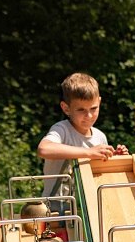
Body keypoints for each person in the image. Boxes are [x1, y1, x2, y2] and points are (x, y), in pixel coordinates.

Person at [37, 72, 128, 200]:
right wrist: (89, 152)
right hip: (55, 207)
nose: (89, 116)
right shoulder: (62, 129)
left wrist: (115, 158)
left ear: (99, 102)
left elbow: (101, 174)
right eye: (81, 110)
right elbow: (44, 149)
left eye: (93, 108)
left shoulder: (100, 137)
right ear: (66, 108)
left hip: (87, 207)